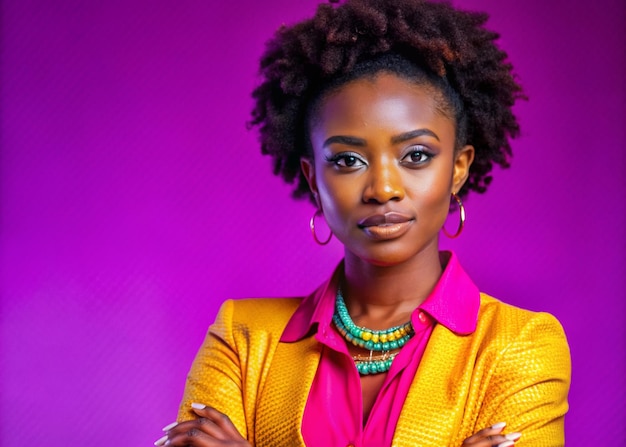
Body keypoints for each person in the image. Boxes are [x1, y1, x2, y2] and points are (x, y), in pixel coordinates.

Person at [154, 0, 571, 445]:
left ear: (459, 168)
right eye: (348, 160)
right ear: (314, 178)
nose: (383, 188)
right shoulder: (242, 339)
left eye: (416, 156)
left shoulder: (520, 345)